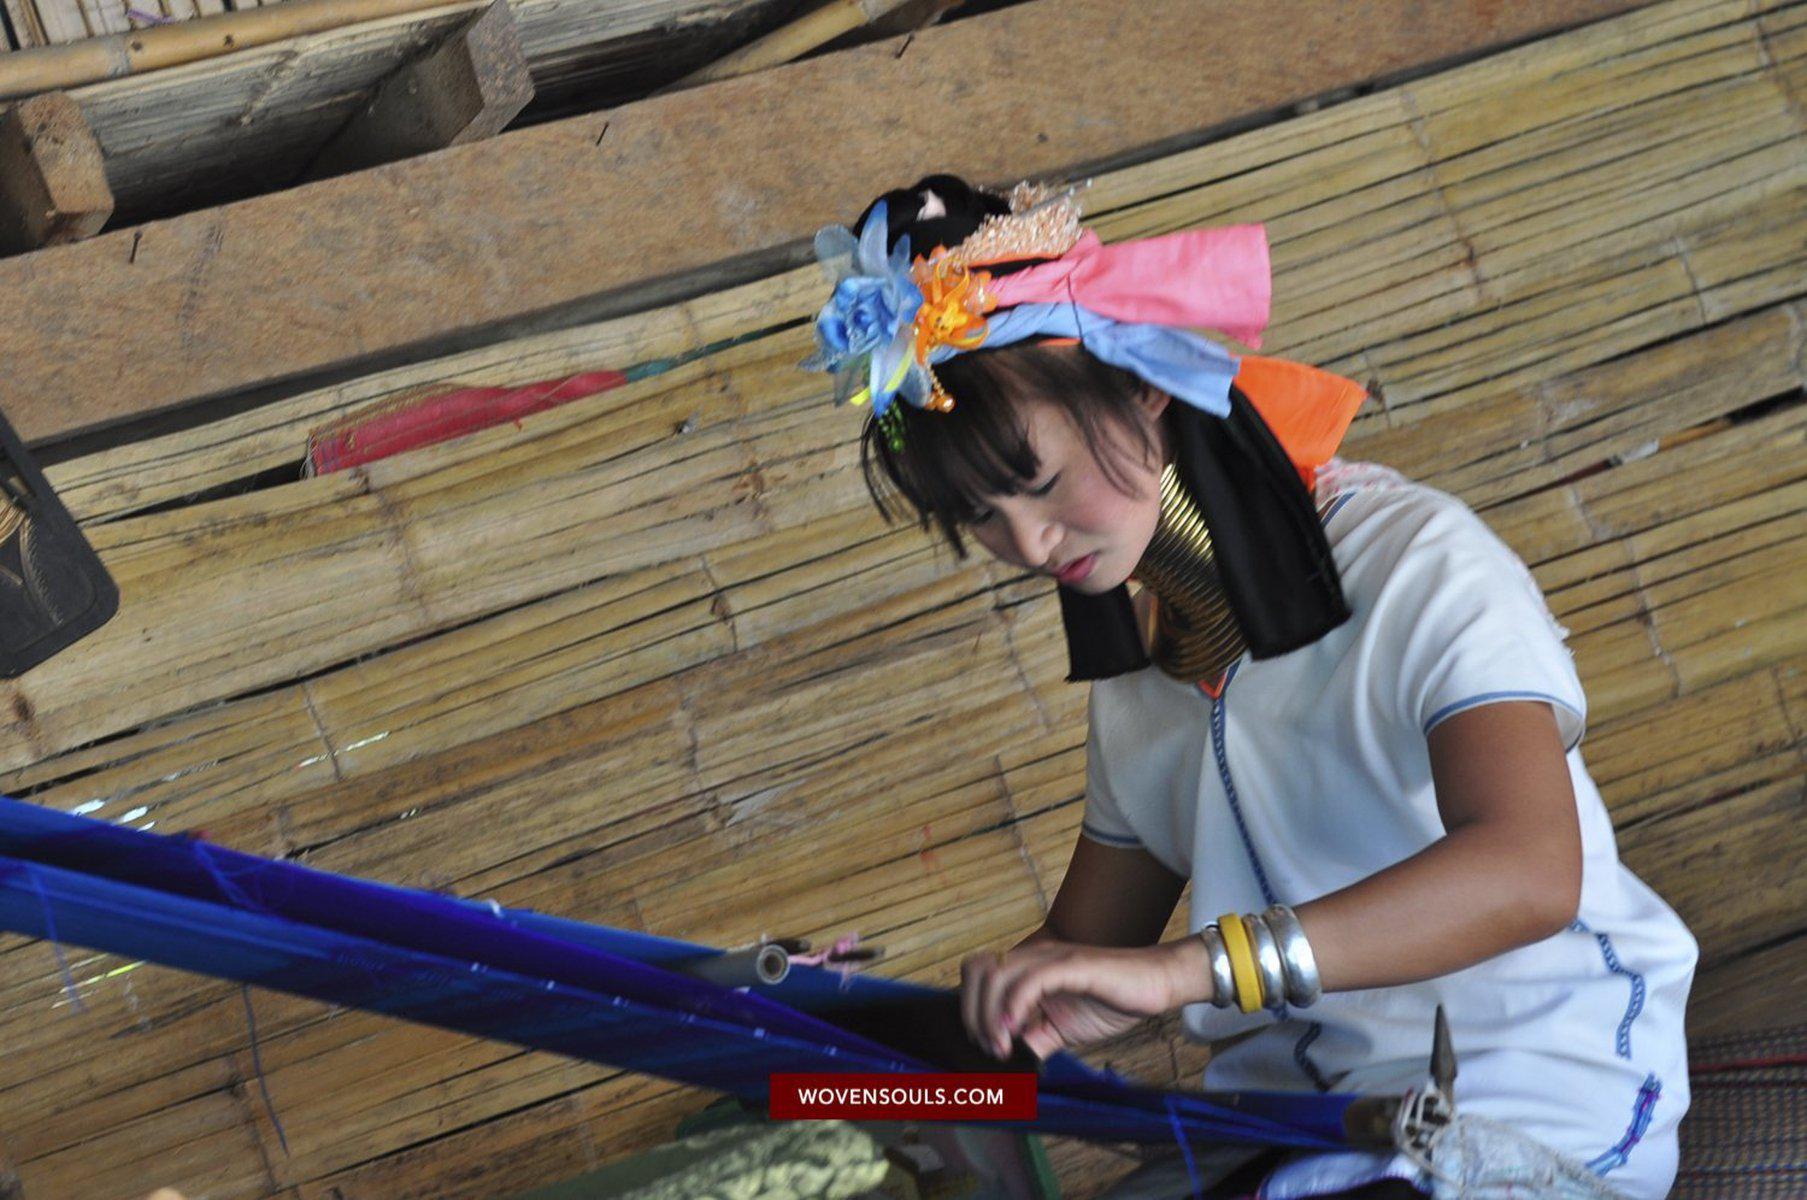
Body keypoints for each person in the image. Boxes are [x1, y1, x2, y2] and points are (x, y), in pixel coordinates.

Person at [800, 175, 1697, 1199]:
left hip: (1534, 1103)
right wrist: (832, 1030)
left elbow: (1534, 872)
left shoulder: (1414, 564)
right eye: (981, 521)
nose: (1027, 544)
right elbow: (1081, 963)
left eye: (1040, 485)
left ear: (1137, 384)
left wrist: (1192, 971)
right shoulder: (1143, 677)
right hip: (1295, 1131)